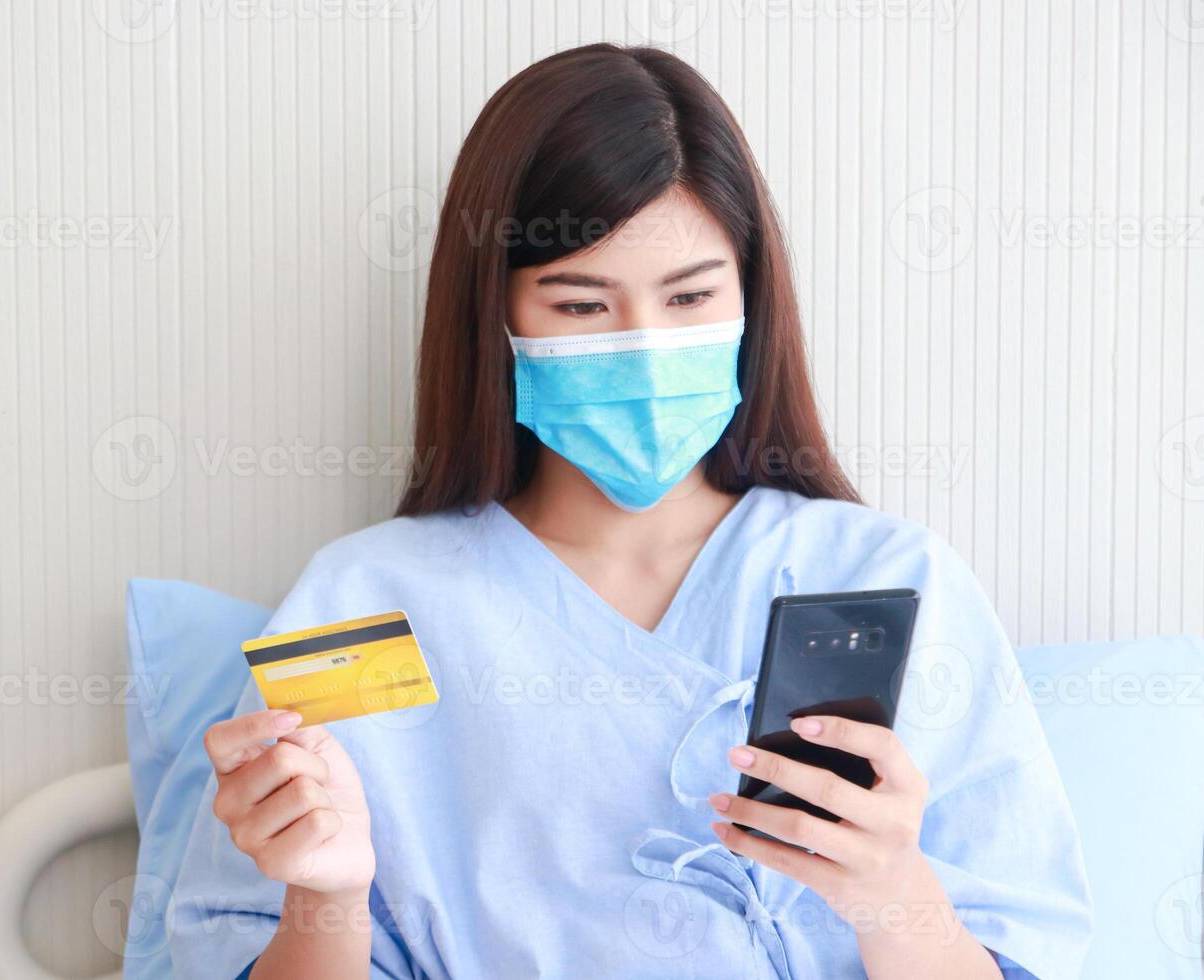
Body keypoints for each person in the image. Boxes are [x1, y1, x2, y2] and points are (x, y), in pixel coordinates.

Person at [171, 43, 1091, 979]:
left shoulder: (890, 578)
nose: (647, 350)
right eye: (580, 306)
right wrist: (324, 901)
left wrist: (893, 894)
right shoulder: (365, 608)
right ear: (494, 316)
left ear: (752, 298)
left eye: (691, 296)